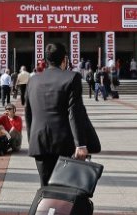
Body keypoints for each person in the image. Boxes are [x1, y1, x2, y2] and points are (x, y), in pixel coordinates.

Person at [25, 42, 99, 186]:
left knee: (45, 186)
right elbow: (74, 111)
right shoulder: (72, 77)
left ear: (46, 60)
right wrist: (80, 144)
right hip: (64, 142)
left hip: (39, 142)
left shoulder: (33, 80)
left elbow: (28, 114)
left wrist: (31, 140)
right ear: (65, 59)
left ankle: (44, 209)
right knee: (64, 187)